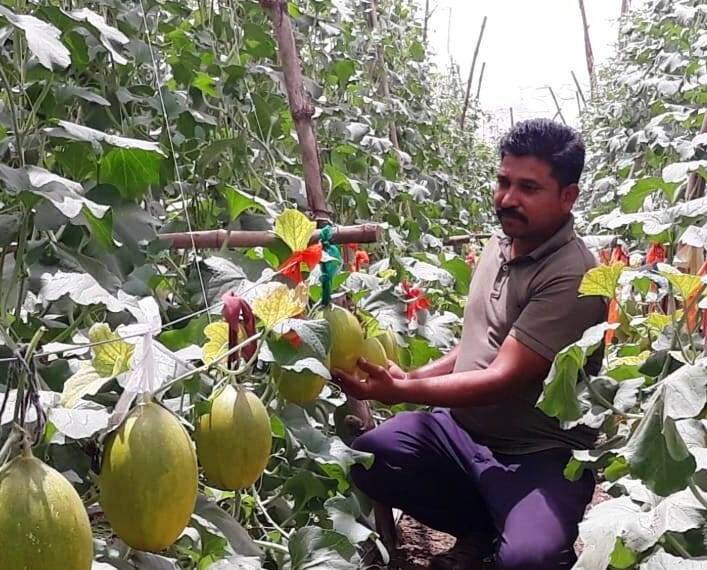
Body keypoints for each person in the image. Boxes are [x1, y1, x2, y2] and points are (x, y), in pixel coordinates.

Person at [333, 119, 607, 570]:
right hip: (461, 434)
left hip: (538, 456)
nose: (508, 198)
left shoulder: (573, 275)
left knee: (530, 559)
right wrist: (414, 376)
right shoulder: (500, 245)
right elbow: (478, 346)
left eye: (528, 187)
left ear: (568, 197)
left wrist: (401, 392)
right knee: (370, 456)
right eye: (504, 181)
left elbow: (504, 378)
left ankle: (513, 529)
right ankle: (482, 528)